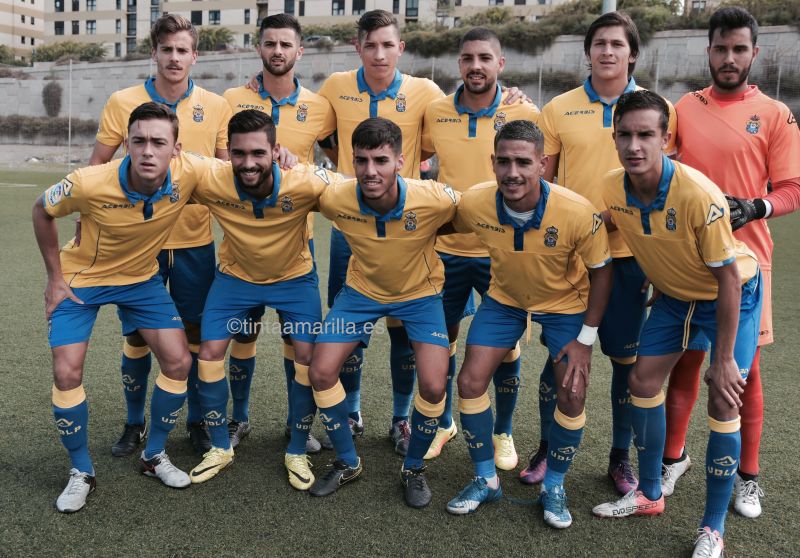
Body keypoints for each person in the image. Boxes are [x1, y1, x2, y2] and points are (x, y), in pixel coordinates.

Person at [591, 90, 762, 558]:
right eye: (625, 135)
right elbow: (617, 220)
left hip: (731, 295)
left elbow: (728, 280)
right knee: (642, 381)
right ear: (614, 138)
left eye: (646, 135)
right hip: (673, 298)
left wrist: (722, 360)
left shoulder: (698, 194)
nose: (634, 146)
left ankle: (713, 528)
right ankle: (649, 494)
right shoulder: (612, 186)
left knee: (725, 396)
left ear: (665, 139)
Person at [33, 102, 216, 513]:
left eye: (158, 143)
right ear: (127, 145)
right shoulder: (89, 182)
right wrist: (55, 278)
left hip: (140, 280)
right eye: (139, 141)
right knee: (66, 371)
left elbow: (241, 170)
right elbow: (41, 209)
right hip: (83, 279)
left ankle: (154, 455)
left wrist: (283, 156)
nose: (148, 151)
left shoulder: (191, 172)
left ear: (176, 149)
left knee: (178, 361)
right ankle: (81, 471)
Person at [523, 11, 676, 494]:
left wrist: (657, 260)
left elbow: (666, 187)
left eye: (617, 44)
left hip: (631, 259)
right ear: (588, 52)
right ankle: (547, 447)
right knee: (560, 358)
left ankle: (619, 458)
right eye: (599, 44)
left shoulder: (657, 108)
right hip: (571, 261)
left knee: (626, 364)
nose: (607, 51)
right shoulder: (558, 109)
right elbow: (543, 184)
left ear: (633, 53)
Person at [661, 6, 800, 518]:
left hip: (748, 263)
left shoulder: (776, 113)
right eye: (720, 48)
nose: (729, 58)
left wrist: (754, 206)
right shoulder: (686, 106)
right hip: (689, 259)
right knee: (687, 360)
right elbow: (664, 165)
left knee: (746, 372)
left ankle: (748, 476)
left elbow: (792, 189)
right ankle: (673, 459)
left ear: (753, 53)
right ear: (709, 51)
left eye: (739, 49)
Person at [444, 120, 612, 528]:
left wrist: (586, 340)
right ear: (493, 162)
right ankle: (485, 479)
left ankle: (554, 485)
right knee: (469, 381)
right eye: (503, 162)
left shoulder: (576, 211)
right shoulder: (476, 202)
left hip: (564, 305)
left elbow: (602, 271)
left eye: (523, 162)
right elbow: (440, 222)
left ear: (542, 164)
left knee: (572, 392)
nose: (512, 172)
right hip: (505, 301)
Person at [90, 14, 232, 457]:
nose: (174, 57)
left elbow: (225, 175)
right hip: (137, 246)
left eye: (182, 50)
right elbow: (96, 168)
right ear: (154, 53)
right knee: (137, 336)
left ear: (195, 56)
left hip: (194, 243)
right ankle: (134, 424)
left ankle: (196, 421)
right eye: (166, 49)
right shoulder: (122, 101)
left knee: (195, 333)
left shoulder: (216, 105)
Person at [186, 110, 343, 488]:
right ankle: (220, 447)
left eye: (258, 153)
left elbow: (357, 191)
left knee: (306, 356)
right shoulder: (212, 176)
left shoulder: (303, 179)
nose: (248, 163)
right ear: (228, 153)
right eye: (239, 153)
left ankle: (296, 449)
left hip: (294, 280)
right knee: (209, 353)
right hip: (235, 279)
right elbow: (167, 163)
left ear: (275, 150)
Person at [308, 117, 459, 508]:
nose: (370, 170)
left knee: (434, 385)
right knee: (321, 371)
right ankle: (347, 461)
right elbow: (301, 183)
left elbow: (470, 212)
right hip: (362, 292)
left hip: (420, 295)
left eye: (381, 160)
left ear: (400, 162)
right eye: (361, 160)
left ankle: (413, 468)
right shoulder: (336, 198)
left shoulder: (433, 197)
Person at [316, 10, 445, 452]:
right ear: (357, 47)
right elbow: (319, 134)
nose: (379, 54)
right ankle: (351, 410)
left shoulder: (425, 92)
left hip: (408, 228)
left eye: (388, 44)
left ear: (400, 48)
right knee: (349, 326)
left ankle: (401, 417)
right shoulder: (335, 87)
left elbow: (442, 137)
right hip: (352, 227)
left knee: (403, 330)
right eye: (370, 45)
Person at [419, 27, 540, 466]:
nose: (476, 66)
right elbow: (417, 157)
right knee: (442, 339)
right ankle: (443, 423)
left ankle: (503, 431)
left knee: (506, 344)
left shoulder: (524, 110)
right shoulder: (435, 111)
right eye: (468, 58)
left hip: (502, 251)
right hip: (448, 249)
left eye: (485, 58)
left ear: (500, 64)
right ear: (459, 63)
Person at [223, 13, 336, 454]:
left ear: (299, 51)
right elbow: (221, 163)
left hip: (295, 243)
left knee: (297, 339)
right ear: (259, 48)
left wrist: (296, 164)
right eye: (270, 43)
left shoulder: (319, 107)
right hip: (242, 242)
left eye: (285, 44)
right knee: (244, 334)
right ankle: (239, 418)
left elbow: (339, 164)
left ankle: (297, 424)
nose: (277, 51)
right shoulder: (232, 100)